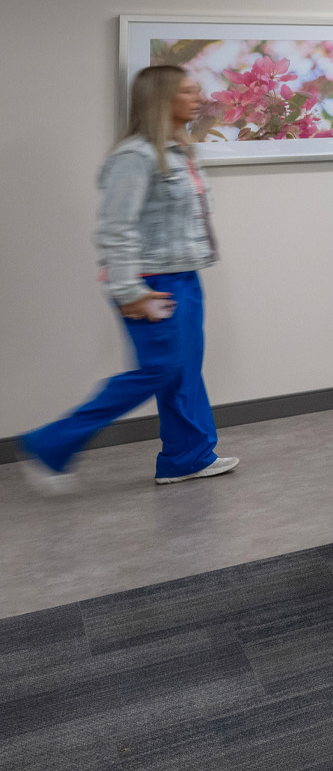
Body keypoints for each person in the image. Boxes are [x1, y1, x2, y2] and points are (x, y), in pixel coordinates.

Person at [17, 65, 238, 493]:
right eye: (188, 91)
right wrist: (128, 291)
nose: (198, 97)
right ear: (162, 100)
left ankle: (186, 457)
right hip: (149, 280)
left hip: (185, 275)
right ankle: (50, 444)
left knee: (184, 371)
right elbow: (115, 230)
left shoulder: (180, 151)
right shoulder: (134, 158)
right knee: (163, 368)